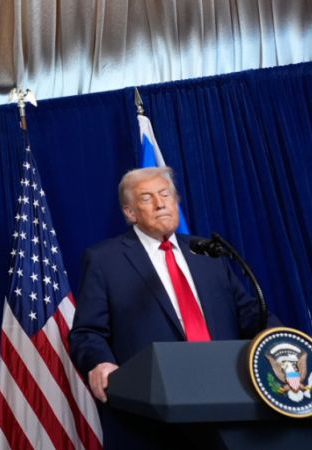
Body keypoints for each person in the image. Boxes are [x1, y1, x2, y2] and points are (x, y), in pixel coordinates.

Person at [69, 167, 279, 449]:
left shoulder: (207, 252)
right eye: (146, 198)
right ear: (130, 213)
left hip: (228, 398)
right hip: (154, 411)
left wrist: (280, 341)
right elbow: (87, 332)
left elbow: (252, 314)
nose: (160, 204)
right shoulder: (105, 260)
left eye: (165, 194)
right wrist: (100, 362)